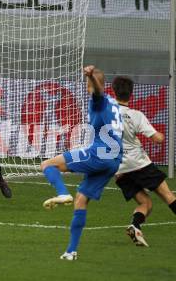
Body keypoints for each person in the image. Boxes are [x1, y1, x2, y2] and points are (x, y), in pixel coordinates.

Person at [40, 65, 123, 260]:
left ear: (91, 85)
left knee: (48, 165)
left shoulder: (99, 100)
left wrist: (91, 77)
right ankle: (71, 252)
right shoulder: (114, 104)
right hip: (114, 160)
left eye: (88, 84)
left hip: (100, 154)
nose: (87, 87)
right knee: (81, 200)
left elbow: (98, 94)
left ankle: (62, 193)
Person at [112, 76, 176, 247]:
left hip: (118, 169)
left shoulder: (106, 114)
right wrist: (161, 135)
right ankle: (135, 225)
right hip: (139, 164)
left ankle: (135, 225)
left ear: (113, 91)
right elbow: (157, 139)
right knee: (168, 196)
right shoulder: (135, 115)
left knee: (145, 203)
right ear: (131, 94)